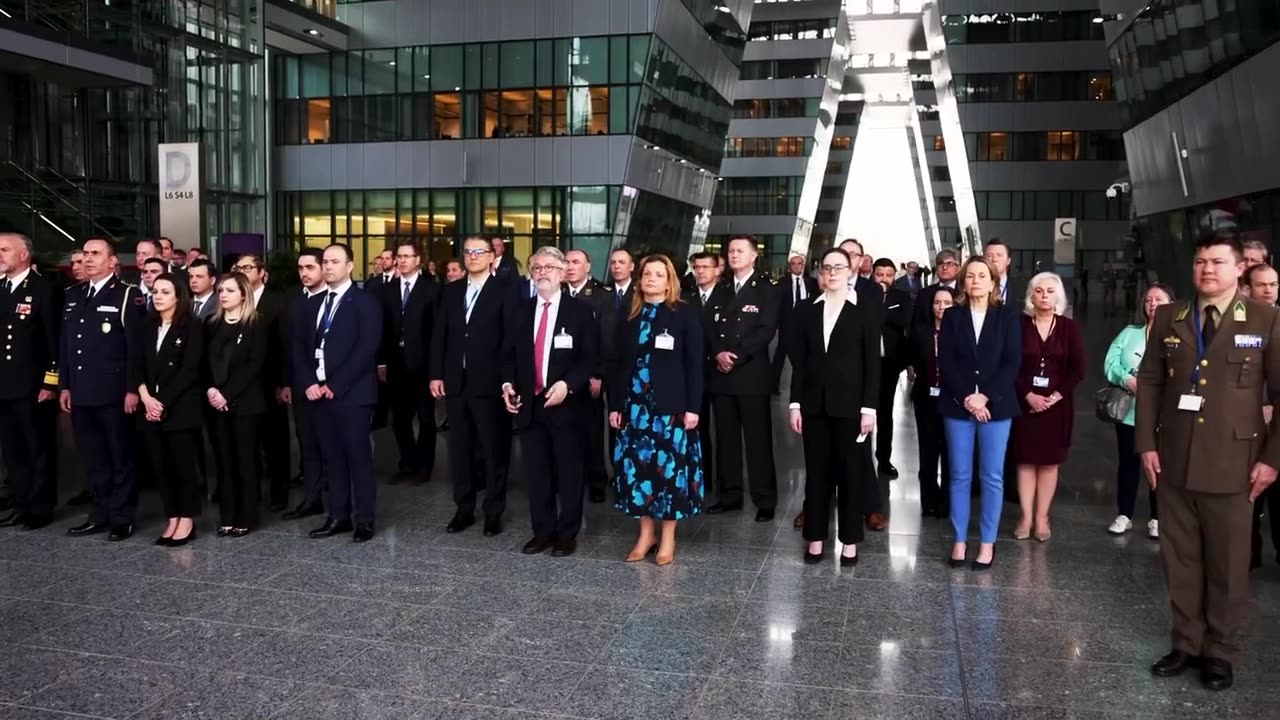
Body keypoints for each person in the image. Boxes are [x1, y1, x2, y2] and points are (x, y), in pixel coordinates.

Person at [1137, 232, 1280, 691]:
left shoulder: (1265, 318)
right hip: (1175, 459)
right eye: (1201, 261)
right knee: (1179, 560)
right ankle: (1186, 643)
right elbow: (1151, 383)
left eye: (1218, 261)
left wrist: (1272, 460)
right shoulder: (1168, 317)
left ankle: (1220, 651)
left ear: (1240, 268)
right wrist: (1146, 445)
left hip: (1236, 464)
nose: (1207, 269)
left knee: (1228, 563)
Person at [503, 247, 600, 557]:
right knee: (537, 474)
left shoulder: (581, 311)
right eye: (536, 267)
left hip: (567, 407)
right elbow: (506, 355)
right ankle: (542, 532)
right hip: (530, 407)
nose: (542, 272)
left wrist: (568, 385)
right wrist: (506, 384)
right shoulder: (520, 310)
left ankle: (566, 534)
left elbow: (590, 358)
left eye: (548, 267)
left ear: (561, 273)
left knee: (569, 473)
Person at [610, 254, 704, 566]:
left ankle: (667, 537)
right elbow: (617, 363)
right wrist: (615, 405)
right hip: (634, 406)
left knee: (669, 472)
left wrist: (693, 407)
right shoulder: (629, 313)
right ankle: (645, 533)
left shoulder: (683, 314)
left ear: (669, 281)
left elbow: (694, 364)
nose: (651, 278)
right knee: (638, 470)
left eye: (658, 274)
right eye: (647, 273)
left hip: (671, 408)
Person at [788, 248, 879, 565]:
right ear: (820, 273)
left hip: (852, 409)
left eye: (839, 267)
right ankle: (814, 537)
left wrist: (870, 408)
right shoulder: (806, 311)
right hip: (813, 406)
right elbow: (800, 362)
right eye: (827, 268)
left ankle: (850, 541)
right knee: (816, 475)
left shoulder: (864, 310)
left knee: (851, 474)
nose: (832, 273)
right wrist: (795, 403)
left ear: (850, 270)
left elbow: (872, 365)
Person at [939, 256, 1021, 570]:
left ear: (993, 281)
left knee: (992, 476)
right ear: (963, 282)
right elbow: (946, 361)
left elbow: (1011, 362)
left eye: (982, 275)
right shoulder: (952, 317)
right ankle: (959, 540)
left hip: (996, 407)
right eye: (970, 275)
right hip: (958, 406)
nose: (975, 280)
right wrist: (967, 398)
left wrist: (985, 396)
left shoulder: (1007, 317)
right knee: (959, 475)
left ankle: (987, 543)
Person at [431, 235, 516, 536]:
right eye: (467, 252)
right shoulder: (451, 291)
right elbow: (440, 334)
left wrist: (508, 380)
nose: (472, 256)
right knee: (460, 450)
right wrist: (436, 373)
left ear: (492, 257)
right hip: (455, 383)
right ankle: (464, 508)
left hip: (490, 384)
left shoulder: (506, 291)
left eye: (479, 252)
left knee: (493, 450)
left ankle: (493, 510)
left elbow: (510, 340)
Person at [61, 239, 145, 541]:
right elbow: (68, 346)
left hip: (113, 392)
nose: (88, 259)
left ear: (113, 262)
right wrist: (65, 385)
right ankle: (99, 513)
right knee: (93, 457)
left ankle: (122, 516)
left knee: (120, 455)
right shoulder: (74, 295)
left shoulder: (127, 296)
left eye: (95, 254)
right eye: (85, 254)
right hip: (82, 391)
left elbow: (135, 349)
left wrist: (132, 389)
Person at [301, 244, 382, 542]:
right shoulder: (315, 304)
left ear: (350, 266)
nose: (329, 266)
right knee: (331, 457)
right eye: (325, 261)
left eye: (336, 261)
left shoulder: (364, 302)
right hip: (319, 394)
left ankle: (365, 519)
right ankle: (338, 515)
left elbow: (366, 349)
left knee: (358, 458)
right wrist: (309, 382)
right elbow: (302, 347)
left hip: (353, 394)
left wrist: (335, 385)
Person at [706, 235, 780, 522]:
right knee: (726, 438)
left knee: (757, 439)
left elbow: (766, 330)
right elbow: (708, 326)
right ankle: (730, 495)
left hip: (750, 373)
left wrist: (734, 356)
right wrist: (718, 354)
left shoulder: (767, 289)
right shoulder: (722, 289)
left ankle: (765, 499)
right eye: (731, 251)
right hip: (722, 375)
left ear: (753, 256)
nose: (734, 255)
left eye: (740, 251)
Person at [1009, 272, 1086, 541]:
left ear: (1058, 296)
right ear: (1031, 295)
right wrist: (1028, 395)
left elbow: (1078, 370)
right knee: (1026, 462)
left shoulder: (1068, 328)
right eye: (1039, 291)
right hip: (1024, 404)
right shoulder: (1019, 325)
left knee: (1050, 463)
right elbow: (1009, 365)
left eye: (1050, 291)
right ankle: (1026, 516)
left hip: (1057, 407)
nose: (1044, 296)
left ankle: (1042, 517)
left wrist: (1054, 397)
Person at [134, 274, 204, 546]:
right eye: (155, 291)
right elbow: (136, 365)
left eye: (165, 291)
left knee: (182, 465)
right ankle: (172, 515)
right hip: (149, 407)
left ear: (178, 296)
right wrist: (146, 398)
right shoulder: (147, 326)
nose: (158, 295)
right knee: (161, 467)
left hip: (179, 407)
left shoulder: (192, 326)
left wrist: (160, 401)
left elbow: (190, 370)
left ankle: (187, 518)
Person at [0, 233, 61, 530]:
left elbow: (54, 341)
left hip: (32, 386)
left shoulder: (43, 289)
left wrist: (50, 383)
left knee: (39, 448)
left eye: (4, 250)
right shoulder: (1, 288)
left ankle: (40, 506)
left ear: (24, 254)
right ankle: (21, 503)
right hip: (4, 386)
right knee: (12, 452)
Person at [1104, 283, 1174, 538]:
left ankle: (1157, 517)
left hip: (1164, 415)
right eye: (1148, 300)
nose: (1153, 304)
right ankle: (1124, 514)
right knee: (1128, 463)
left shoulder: (1180, 334)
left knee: (1159, 467)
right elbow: (1111, 362)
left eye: (1159, 299)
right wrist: (1126, 379)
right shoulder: (1130, 332)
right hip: (1130, 413)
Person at [205, 273, 268, 538]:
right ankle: (227, 516)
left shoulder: (256, 324)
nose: (223, 294)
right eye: (220, 290)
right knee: (224, 461)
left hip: (245, 403)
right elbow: (203, 362)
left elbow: (255, 365)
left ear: (243, 293)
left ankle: (246, 516)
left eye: (230, 290)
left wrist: (227, 394)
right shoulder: (211, 324)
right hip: (216, 403)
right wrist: (211, 390)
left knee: (244, 460)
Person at [377, 239, 440, 483]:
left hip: (423, 366)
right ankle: (407, 462)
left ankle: (425, 466)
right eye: (399, 256)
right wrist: (381, 362)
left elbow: (437, 332)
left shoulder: (432, 290)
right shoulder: (385, 290)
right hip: (394, 365)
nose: (401, 260)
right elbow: (380, 330)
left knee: (425, 419)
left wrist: (437, 370)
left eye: (406, 256)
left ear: (418, 260)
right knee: (400, 419)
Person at [232, 254, 292, 512]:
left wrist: (284, 382)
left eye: (248, 267)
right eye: (238, 267)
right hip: (240, 387)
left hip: (270, 382)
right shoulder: (232, 299)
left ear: (261, 272)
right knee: (247, 445)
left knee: (275, 442)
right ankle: (251, 494)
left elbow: (285, 347)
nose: (242, 271)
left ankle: (279, 494)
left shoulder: (278, 302)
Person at [281, 248, 329, 521]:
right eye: (301, 268)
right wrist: (289, 382)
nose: (304, 273)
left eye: (310, 267)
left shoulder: (334, 300)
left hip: (329, 387)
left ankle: (338, 499)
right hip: (301, 385)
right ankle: (311, 499)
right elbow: (289, 346)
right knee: (308, 444)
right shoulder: (294, 300)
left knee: (331, 446)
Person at [564, 248, 615, 503]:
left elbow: (605, 340)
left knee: (592, 431)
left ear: (588, 267)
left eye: (576, 262)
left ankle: (596, 481)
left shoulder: (602, 296)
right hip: (563, 377)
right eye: (567, 262)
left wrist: (597, 374)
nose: (570, 267)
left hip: (590, 376)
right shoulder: (558, 293)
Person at [682, 252, 730, 497]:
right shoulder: (686, 298)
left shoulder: (729, 297)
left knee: (724, 429)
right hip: (694, 373)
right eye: (696, 267)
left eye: (705, 267)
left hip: (721, 372)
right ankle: (701, 477)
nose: (700, 271)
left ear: (717, 270)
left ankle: (724, 482)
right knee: (696, 427)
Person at [910, 286, 957, 518]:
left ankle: (947, 501)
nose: (941, 307)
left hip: (952, 400)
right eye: (937, 303)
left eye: (947, 303)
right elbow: (911, 357)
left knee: (950, 452)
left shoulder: (960, 332)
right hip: (925, 398)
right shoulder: (921, 331)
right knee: (928, 451)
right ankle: (928, 499)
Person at [1244, 264, 1280, 567]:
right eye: (1261, 285)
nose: (1268, 290)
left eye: (1273, 284)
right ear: (1247, 288)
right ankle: (1247, 556)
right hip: (1247, 427)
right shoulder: (1239, 326)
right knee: (1247, 500)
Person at [872, 257, 911, 480]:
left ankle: (884, 459)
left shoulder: (902, 297)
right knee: (861, 411)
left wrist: (879, 312)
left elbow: (904, 321)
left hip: (889, 364)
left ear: (894, 276)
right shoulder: (863, 294)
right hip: (864, 363)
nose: (884, 278)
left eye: (888, 274)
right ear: (873, 275)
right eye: (880, 274)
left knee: (885, 413)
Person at [772, 253, 818, 394]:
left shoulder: (812, 282)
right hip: (787, 323)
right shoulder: (781, 283)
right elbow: (776, 305)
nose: (797, 266)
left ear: (803, 266)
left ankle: (806, 386)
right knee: (781, 355)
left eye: (800, 264)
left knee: (806, 354)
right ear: (789, 266)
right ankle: (773, 385)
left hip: (806, 322)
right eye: (794, 263)